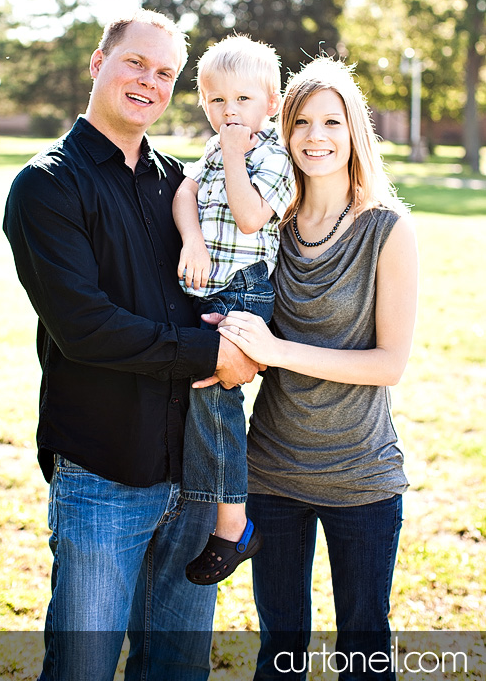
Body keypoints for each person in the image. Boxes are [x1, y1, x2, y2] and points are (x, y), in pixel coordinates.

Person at [3, 10, 260, 681]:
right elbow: (85, 326)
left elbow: (244, 257)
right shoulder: (47, 185)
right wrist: (213, 356)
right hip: (102, 471)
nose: (149, 81)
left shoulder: (180, 182)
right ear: (98, 63)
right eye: (135, 63)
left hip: (196, 472)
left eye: (166, 73)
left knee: (177, 669)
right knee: (82, 667)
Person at [209, 56, 418, 679]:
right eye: (301, 121)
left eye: (332, 121)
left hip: (361, 476)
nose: (316, 137)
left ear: (355, 130)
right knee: (280, 652)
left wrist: (276, 351)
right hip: (271, 474)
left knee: (362, 650)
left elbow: (390, 365)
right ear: (283, 127)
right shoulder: (270, 227)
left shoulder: (388, 229)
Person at [172, 35, 294, 585]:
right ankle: (203, 505)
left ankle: (232, 526)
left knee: (215, 401)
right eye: (217, 101)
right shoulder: (214, 146)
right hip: (205, 282)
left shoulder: (273, 156)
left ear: (270, 104)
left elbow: (249, 218)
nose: (230, 112)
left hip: (242, 292)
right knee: (193, 396)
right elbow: (184, 194)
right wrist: (192, 241)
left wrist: (233, 155)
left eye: (243, 101)